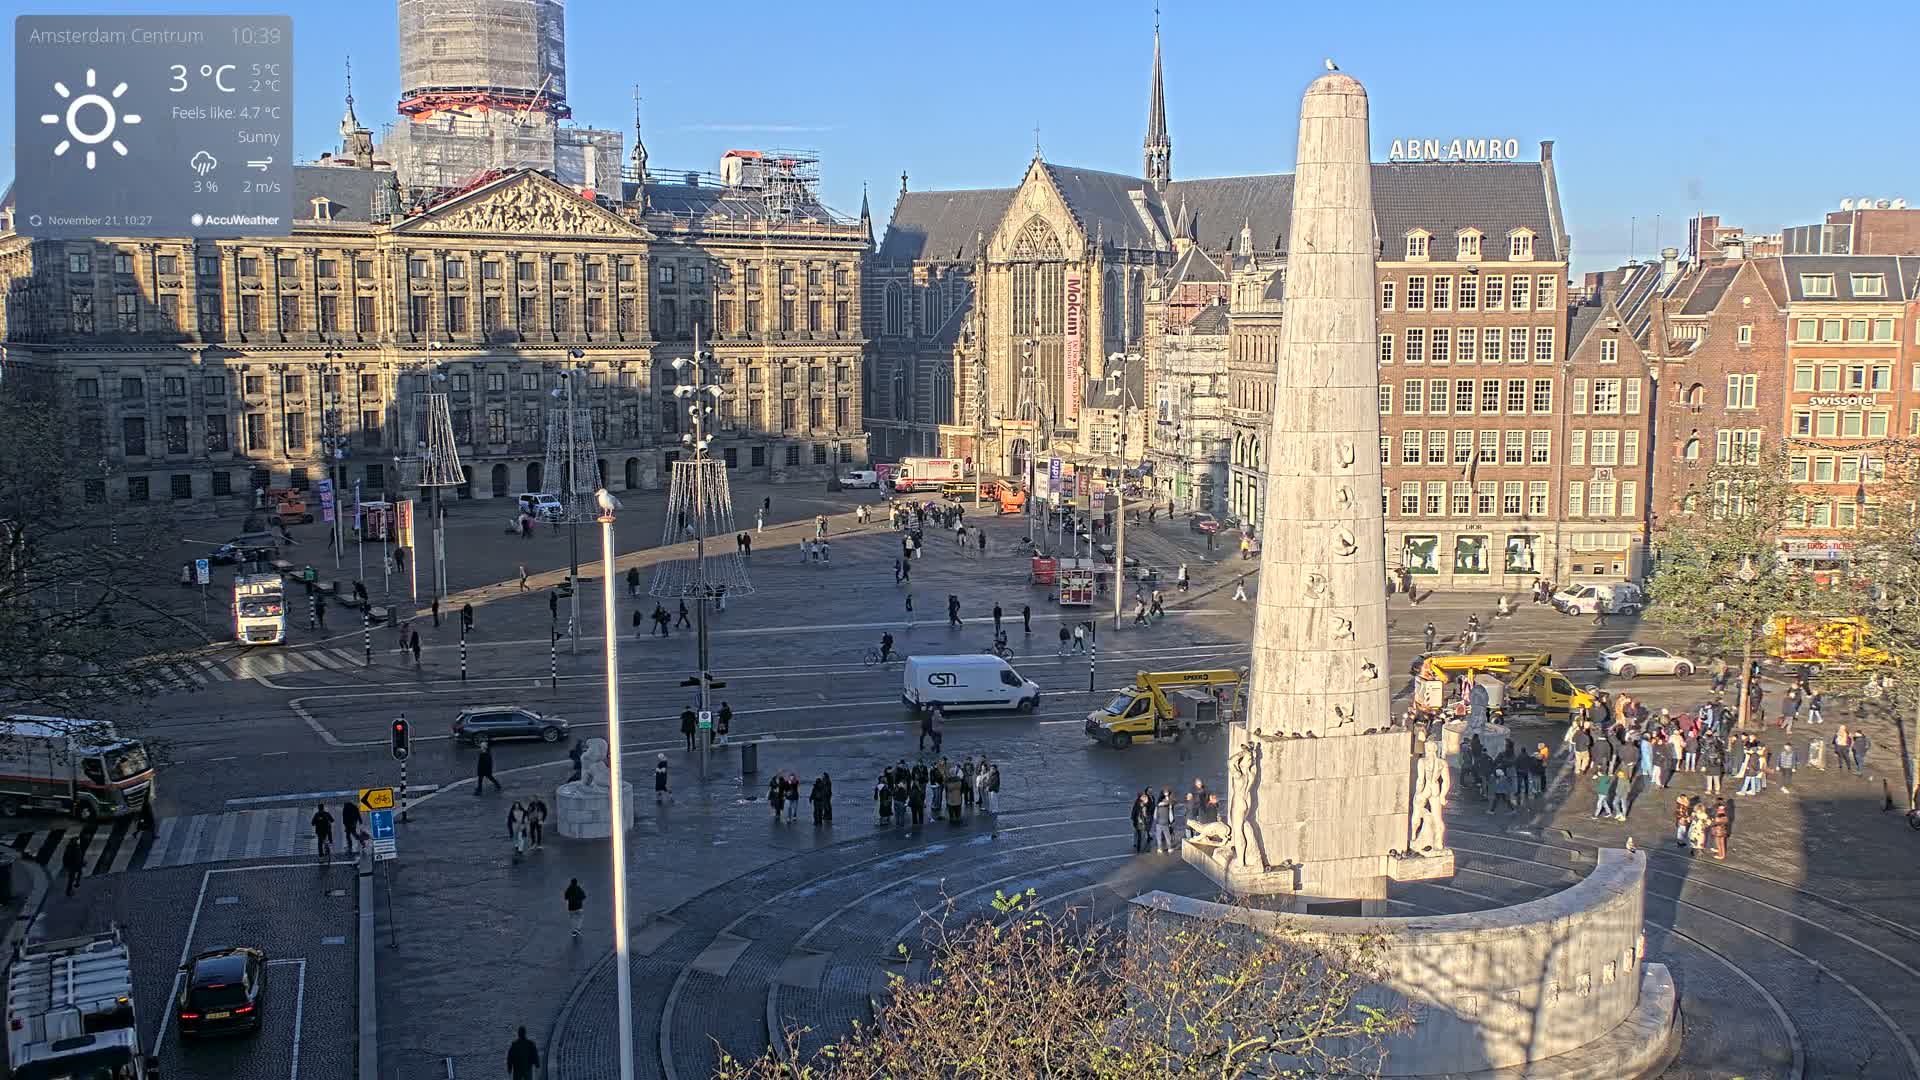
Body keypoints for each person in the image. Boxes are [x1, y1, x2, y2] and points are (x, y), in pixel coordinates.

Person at [1152, 785, 1176, 852]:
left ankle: (1160, 848)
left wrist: (1156, 820)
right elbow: (1170, 814)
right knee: (1167, 836)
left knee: (1159, 836)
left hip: (1159, 823)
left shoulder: (1158, 805)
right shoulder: (1168, 806)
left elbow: (1155, 815)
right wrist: (1171, 821)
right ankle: (1169, 848)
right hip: (1166, 822)